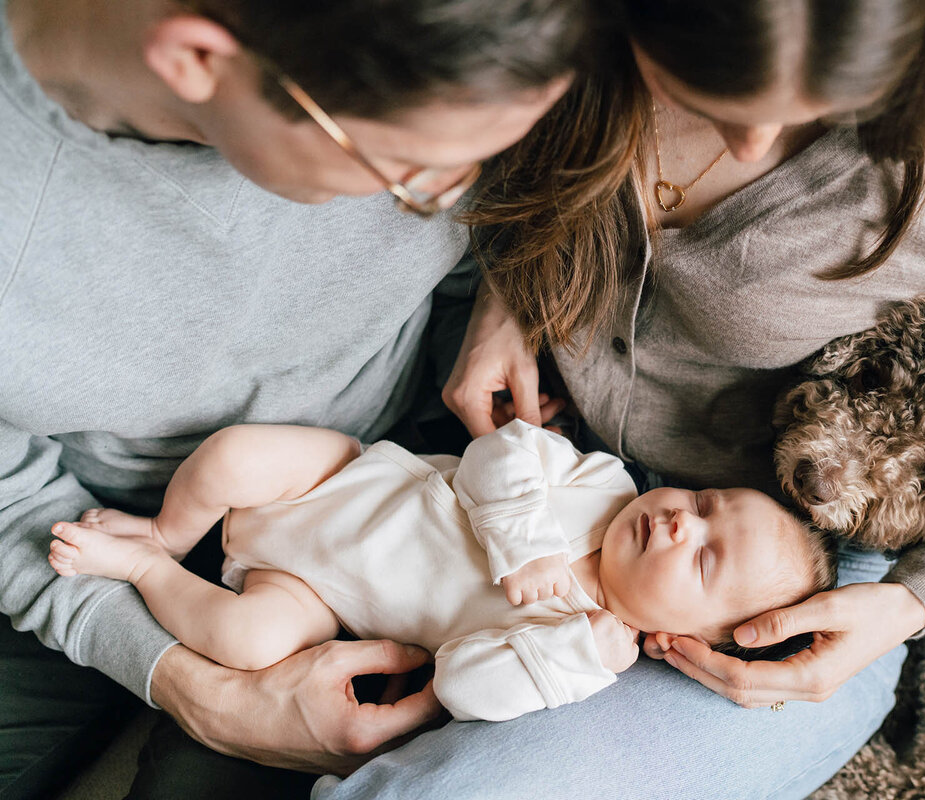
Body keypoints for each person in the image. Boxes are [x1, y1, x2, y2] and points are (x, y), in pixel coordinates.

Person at [321, 0, 925, 798]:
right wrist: (513, 296)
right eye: (714, 89)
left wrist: (911, 601)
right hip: (539, 450)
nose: (751, 144)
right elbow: (530, 151)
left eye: (821, 106)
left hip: (788, 560)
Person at [0, 0, 597, 796]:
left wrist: (509, 289)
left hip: (412, 460)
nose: (445, 196)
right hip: (94, 529)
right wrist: (194, 688)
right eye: (405, 174)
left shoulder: (452, 48)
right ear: (196, 59)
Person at [46, 419, 836, 721]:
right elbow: (499, 450)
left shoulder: (579, 651)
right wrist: (522, 542)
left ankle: (147, 569)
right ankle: (165, 529)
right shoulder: (604, 487)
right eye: (702, 500)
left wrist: (571, 655)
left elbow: (461, 687)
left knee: (248, 643)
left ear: (674, 638)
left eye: (702, 555)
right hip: (337, 478)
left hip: (314, 593)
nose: (679, 519)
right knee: (232, 456)